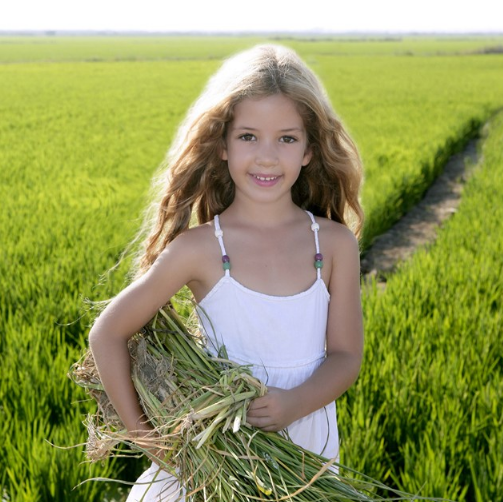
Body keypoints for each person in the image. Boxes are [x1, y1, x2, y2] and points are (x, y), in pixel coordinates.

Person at [88, 44, 365, 502]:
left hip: (302, 457)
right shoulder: (199, 249)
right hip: (216, 458)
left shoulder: (333, 245)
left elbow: (346, 356)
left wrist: (293, 403)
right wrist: (148, 442)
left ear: (311, 151)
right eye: (248, 137)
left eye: (287, 139)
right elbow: (107, 333)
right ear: (221, 145)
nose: (267, 157)